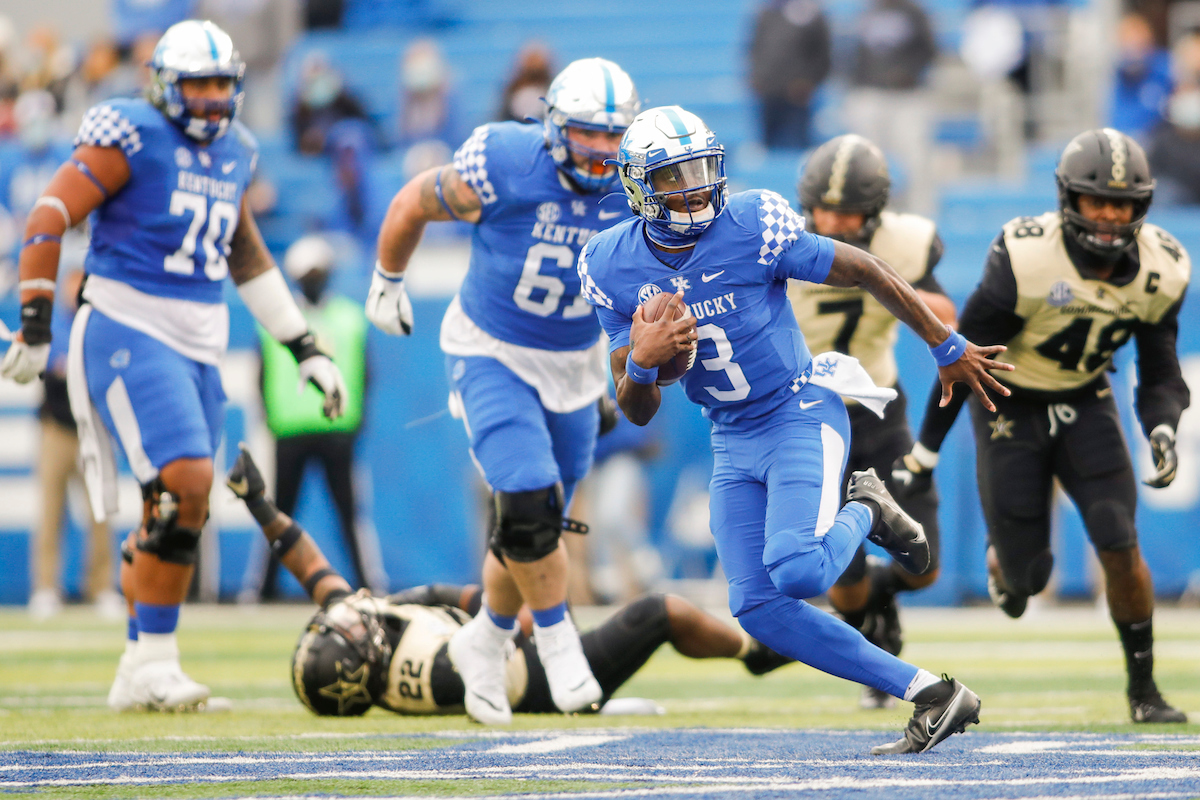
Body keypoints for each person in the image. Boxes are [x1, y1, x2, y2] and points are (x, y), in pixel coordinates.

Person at [577, 105, 1009, 755]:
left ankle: (867, 507)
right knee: (757, 607)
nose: (694, 188)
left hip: (798, 409)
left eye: (701, 169)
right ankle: (933, 693)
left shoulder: (753, 222)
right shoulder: (608, 265)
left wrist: (946, 346)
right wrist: (642, 355)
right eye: (674, 177)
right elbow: (636, 406)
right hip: (731, 435)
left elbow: (865, 268)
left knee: (801, 570)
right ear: (638, 187)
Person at [1, 20, 348, 713]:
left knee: (182, 500)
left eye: (223, 84)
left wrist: (303, 346)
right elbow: (47, 216)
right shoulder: (131, 134)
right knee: (185, 476)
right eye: (199, 84)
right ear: (165, 86)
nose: (214, 98)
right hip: (126, 321)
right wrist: (37, 321)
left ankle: (142, 662)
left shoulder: (237, 151)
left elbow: (245, 254)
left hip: (198, 336)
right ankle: (153, 660)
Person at [365, 58, 641, 726]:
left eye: (614, 136)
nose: (602, 150)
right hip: (491, 348)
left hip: (574, 362)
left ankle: (485, 638)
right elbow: (410, 202)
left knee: (533, 520)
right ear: (553, 127)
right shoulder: (506, 161)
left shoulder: (640, 187)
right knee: (525, 494)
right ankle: (556, 640)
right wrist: (387, 281)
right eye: (587, 134)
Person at [895, 128, 1191, 724]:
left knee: (1117, 536)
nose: (1110, 215)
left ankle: (1144, 689)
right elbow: (961, 360)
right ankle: (1004, 562)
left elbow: (1160, 373)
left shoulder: (1164, 267)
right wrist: (925, 452)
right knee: (1028, 581)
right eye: (1096, 200)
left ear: (1142, 206)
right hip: (1008, 399)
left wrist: (1162, 428)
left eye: (1123, 202)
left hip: (1087, 399)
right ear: (1068, 199)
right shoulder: (1026, 256)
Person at [221, 444, 792, 716]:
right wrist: (511, 614)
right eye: (341, 630)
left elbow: (311, 568)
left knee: (521, 536)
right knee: (660, 612)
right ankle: (751, 652)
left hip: (516, 640)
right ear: (363, 659)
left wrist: (259, 505)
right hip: (539, 673)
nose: (343, 615)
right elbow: (500, 661)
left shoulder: (375, 642)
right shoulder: (427, 670)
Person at [788, 134, 955, 710]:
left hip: (880, 408)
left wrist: (916, 301)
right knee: (842, 580)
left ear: (877, 212)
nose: (832, 220)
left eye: (848, 211)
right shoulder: (776, 240)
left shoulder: (905, 242)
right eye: (823, 209)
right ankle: (870, 627)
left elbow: (943, 311)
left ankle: (885, 595)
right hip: (806, 416)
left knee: (924, 564)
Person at [244, 234, 383, 602]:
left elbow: (366, 373)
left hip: (337, 432)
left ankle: (370, 584)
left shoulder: (349, 318)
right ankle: (264, 589)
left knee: (350, 515)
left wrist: (358, 420)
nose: (313, 278)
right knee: (278, 515)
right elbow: (260, 375)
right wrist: (268, 420)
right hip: (289, 431)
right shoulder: (278, 321)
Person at [28, 269, 119, 621]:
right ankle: (46, 587)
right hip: (56, 428)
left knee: (100, 511)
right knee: (51, 511)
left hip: (92, 428)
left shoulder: (101, 326)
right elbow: (51, 367)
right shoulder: (53, 326)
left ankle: (101, 586)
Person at [842, 0, 938, 213]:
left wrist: (908, 72)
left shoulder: (915, 13)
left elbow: (929, 50)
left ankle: (921, 213)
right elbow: (856, 55)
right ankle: (871, 211)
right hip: (871, 93)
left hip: (907, 97)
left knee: (916, 157)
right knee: (866, 159)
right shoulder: (868, 12)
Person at [746, 0, 831, 150]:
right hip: (768, 92)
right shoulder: (766, 13)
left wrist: (808, 82)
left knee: (797, 144)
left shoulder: (811, 13)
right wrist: (757, 76)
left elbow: (822, 55)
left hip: (796, 95)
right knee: (768, 145)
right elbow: (755, 48)